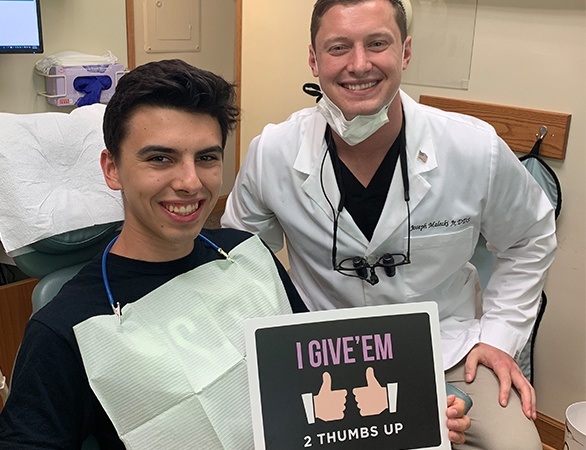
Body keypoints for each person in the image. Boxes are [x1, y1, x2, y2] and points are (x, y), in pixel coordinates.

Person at [221, 0, 557, 448]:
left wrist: (498, 338)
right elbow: (241, 263)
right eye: (338, 47)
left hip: (445, 351)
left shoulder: (473, 149)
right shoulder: (273, 153)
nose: (359, 64)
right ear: (313, 59)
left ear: (405, 52)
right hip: (325, 355)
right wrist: (283, 352)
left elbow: (530, 239)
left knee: (519, 446)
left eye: (377, 43)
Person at [0, 59, 310, 449]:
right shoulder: (66, 327)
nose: (190, 182)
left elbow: (314, 365)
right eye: (160, 159)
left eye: (207, 158)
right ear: (112, 169)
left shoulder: (251, 256)